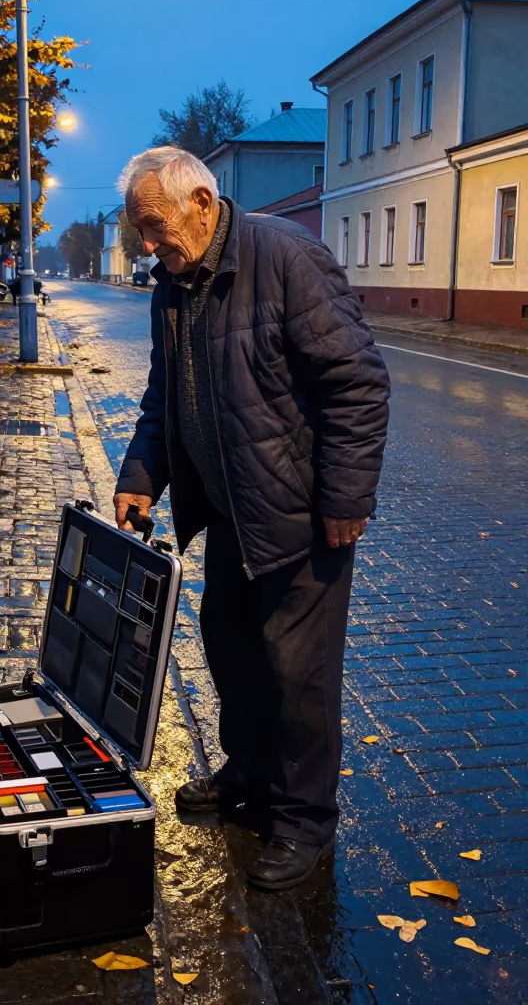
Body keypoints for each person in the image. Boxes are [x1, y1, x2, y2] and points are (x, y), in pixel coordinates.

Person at [113, 147, 390, 891]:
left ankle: (304, 821)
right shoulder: (172, 283)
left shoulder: (287, 258)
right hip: (232, 510)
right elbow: (163, 395)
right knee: (231, 644)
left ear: (201, 203)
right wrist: (140, 477)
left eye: (154, 227)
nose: (148, 246)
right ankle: (251, 772)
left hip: (302, 515)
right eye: (140, 231)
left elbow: (357, 385)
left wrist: (345, 499)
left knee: (296, 672)